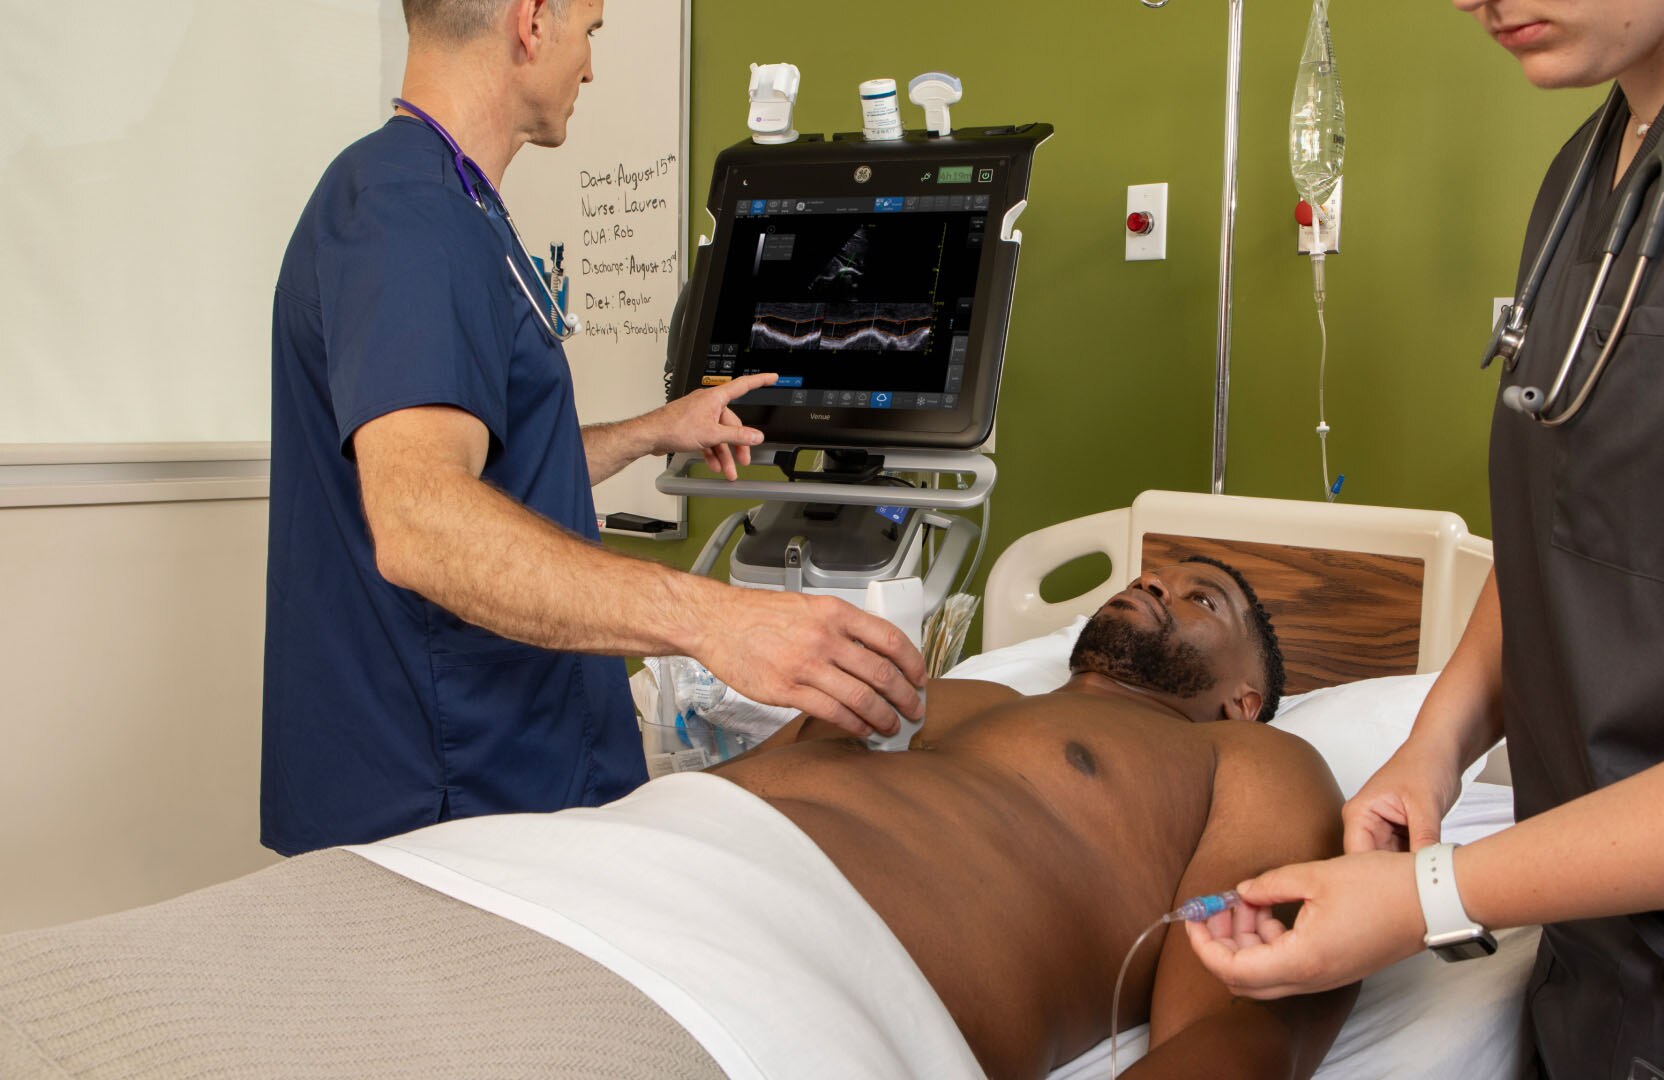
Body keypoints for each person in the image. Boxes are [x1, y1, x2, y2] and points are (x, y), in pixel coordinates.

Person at [1189, 1, 1664, 1076]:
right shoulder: (1591, 168)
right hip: (1603, 977)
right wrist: (1435, 748)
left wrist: (1434, 895)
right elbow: (1572, 524)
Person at [1, 559, 1357, 1079]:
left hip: (765, 982)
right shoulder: (948, 691)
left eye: (1202, 601)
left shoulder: (1258, 763)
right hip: (535, 873)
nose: (1151, 589)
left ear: (1244, 694)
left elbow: (1243, 1019)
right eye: (1150, 576)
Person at [264, 0, 924, 856]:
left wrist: (653, 432)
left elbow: (491, 472)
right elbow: (423, 520)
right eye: (591, 32)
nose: (589, 66)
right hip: (451, 798)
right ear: (533, 21)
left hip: (497, 771)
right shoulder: (410, 217)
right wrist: (719, 621)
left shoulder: (444, 202)